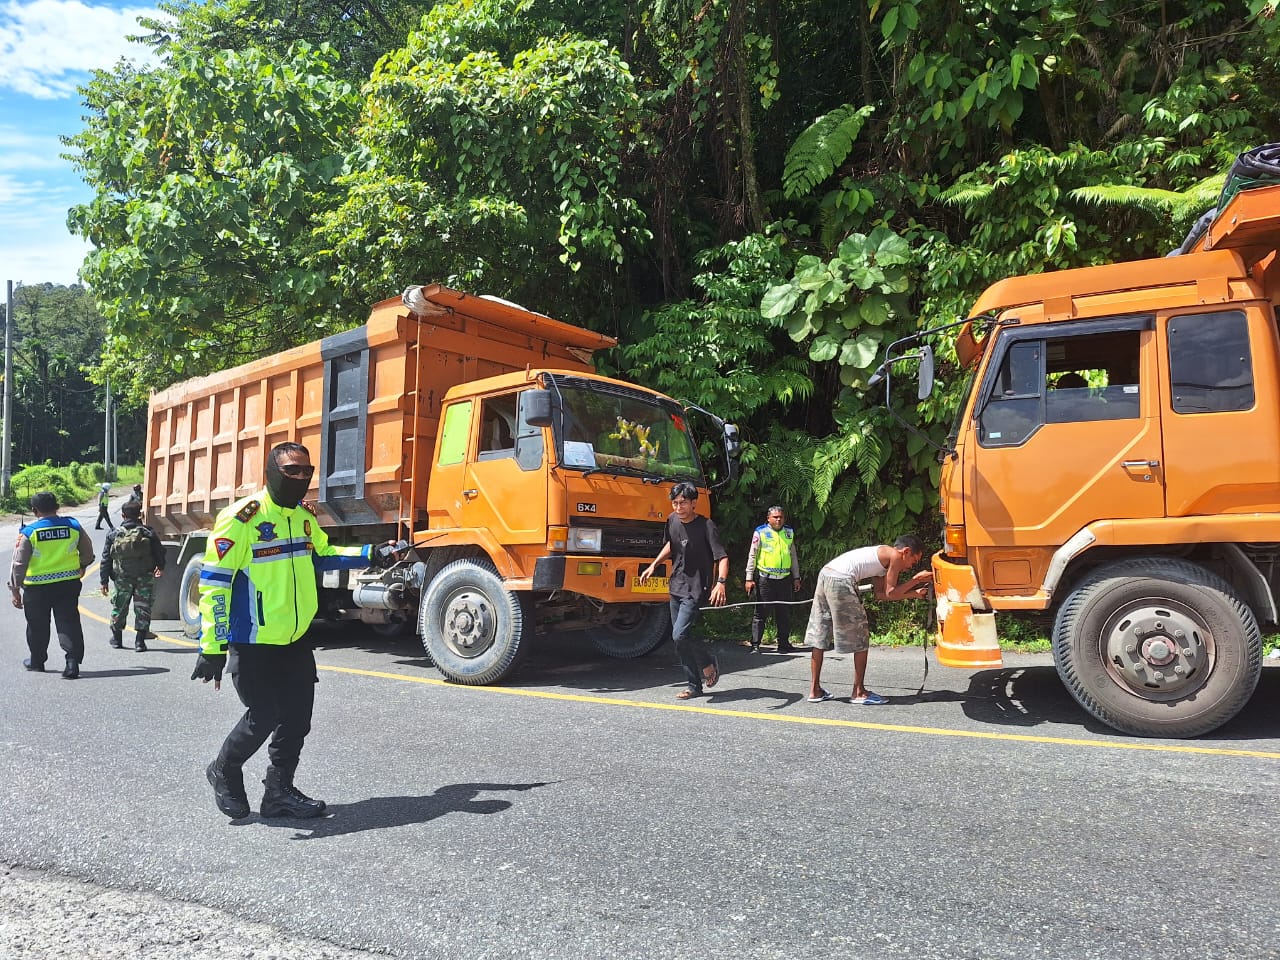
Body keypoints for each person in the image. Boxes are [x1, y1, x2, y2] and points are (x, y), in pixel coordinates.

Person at [191, 441, 397, 821]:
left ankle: (279, 792)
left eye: (306, 471)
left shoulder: (303, 518)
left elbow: (323, 553)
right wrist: (212, 645)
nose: (300, 478)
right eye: (291, 471)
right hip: (252, 639)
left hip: (295, 638)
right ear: (271, 471)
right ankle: (224, 769)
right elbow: (215, 583)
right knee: (264, 714)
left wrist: (372, 554)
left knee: (298, 718)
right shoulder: (242, 519)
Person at [806, 535, 932, 706]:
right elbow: (891, 592)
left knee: (820, 632)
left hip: (826, 574)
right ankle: (859, 692)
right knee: (861, 638)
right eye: (913, 561)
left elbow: (881, 595)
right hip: (842, 580)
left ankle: (815, 691)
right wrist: (916, 580)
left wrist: (914, 594)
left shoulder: (883, 559)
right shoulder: (895, 556)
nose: (911, 566)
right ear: (906, 552)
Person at [639, 481, 729, 700]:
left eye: (683, 503)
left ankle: (707, 662)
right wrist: (654, 564)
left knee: (679, 635)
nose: (679, 507)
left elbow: (722, 556)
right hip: (676, 585)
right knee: (681, 637)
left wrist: (721, 582)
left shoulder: (706, 526)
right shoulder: (672, 520)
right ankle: (694, 686)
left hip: (696, 588)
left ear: (694, 503)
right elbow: (672, 543)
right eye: (675, 503)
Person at [9, 491, 95, 679]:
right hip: (68, 584)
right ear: (57, 506)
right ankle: (72, 663)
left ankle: (37, 661)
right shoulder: (73, 526)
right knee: (69, 621)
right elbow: (88, 552)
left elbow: (19, 564)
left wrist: (15, 590)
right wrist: (81, 566)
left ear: (34, 510)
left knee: (37, 625)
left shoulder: (29, 533)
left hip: (36, 588)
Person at [99, 500, 165, 651]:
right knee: (143, 608)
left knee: (119, 606)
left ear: (123, 515)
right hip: (144, 577)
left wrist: (104, 581)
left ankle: (116, 640)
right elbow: (160, 552)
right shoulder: (148, 532)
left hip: (122, 578)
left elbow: (106, 559)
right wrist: (160, 567)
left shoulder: (114, 534)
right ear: (140, 515)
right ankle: (140, 642)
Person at [743, 505, 802, 654]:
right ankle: (755, 644)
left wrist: (796, 577)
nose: (778, 519)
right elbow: (752, 555)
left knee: (783, 612)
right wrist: (749, 578)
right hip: (766, 580)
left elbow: (793, 556)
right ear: (768, 518)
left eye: (781, 517)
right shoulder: (760, 532)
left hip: (784, 579)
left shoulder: (789, 532)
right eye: (775, 517)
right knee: (761, 612)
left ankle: (783, 643)